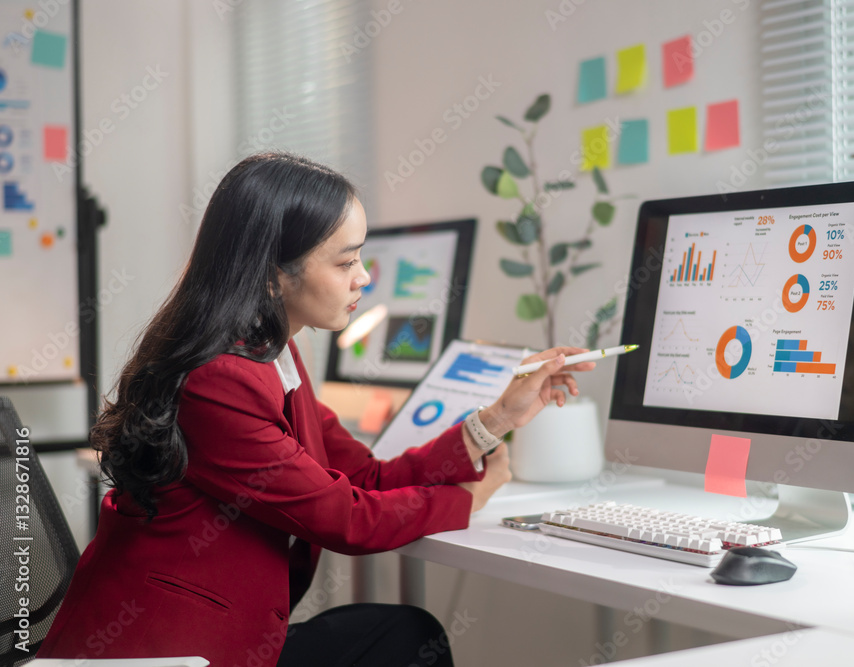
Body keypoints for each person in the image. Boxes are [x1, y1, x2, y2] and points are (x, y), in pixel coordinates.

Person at [37, 153, 595, 667]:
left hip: (225, 633)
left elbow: (366, 477)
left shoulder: (272, 352)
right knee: (402, 643)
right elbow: (347, 517)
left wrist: (497, 417)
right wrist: (469, 499)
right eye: (346, 261)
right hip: (160, 653)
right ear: (271, 274)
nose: (364, 278)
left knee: (405, 636)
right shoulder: (218, 378)